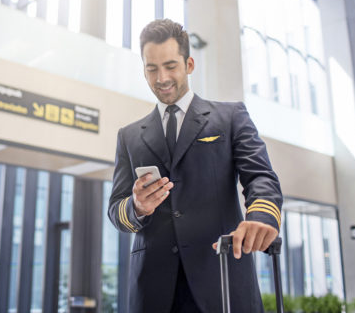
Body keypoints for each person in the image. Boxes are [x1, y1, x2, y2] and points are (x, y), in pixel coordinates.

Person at [108, 18, 282, 313]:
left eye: (170, 66)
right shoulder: (129, 136)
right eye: (152, 68)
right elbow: (116, 211)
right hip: (153, 292)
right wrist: (136, 207)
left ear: (189, 64)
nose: (161, 77)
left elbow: (260, 177)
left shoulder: (230, 117)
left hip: (222, 278)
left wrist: (261, 218)